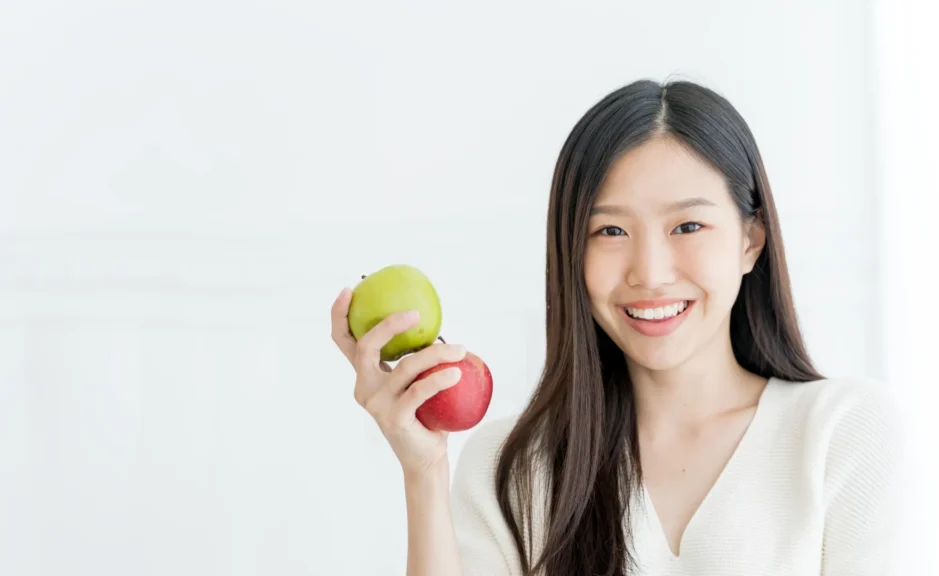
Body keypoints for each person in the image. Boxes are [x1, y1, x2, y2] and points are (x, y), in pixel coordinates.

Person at [331, 79, 905, 575]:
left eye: (687, 226)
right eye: (610, 232)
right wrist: (424, 469)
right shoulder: (511, 467)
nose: (650, 274)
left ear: (750, 241)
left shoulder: (840, 435)